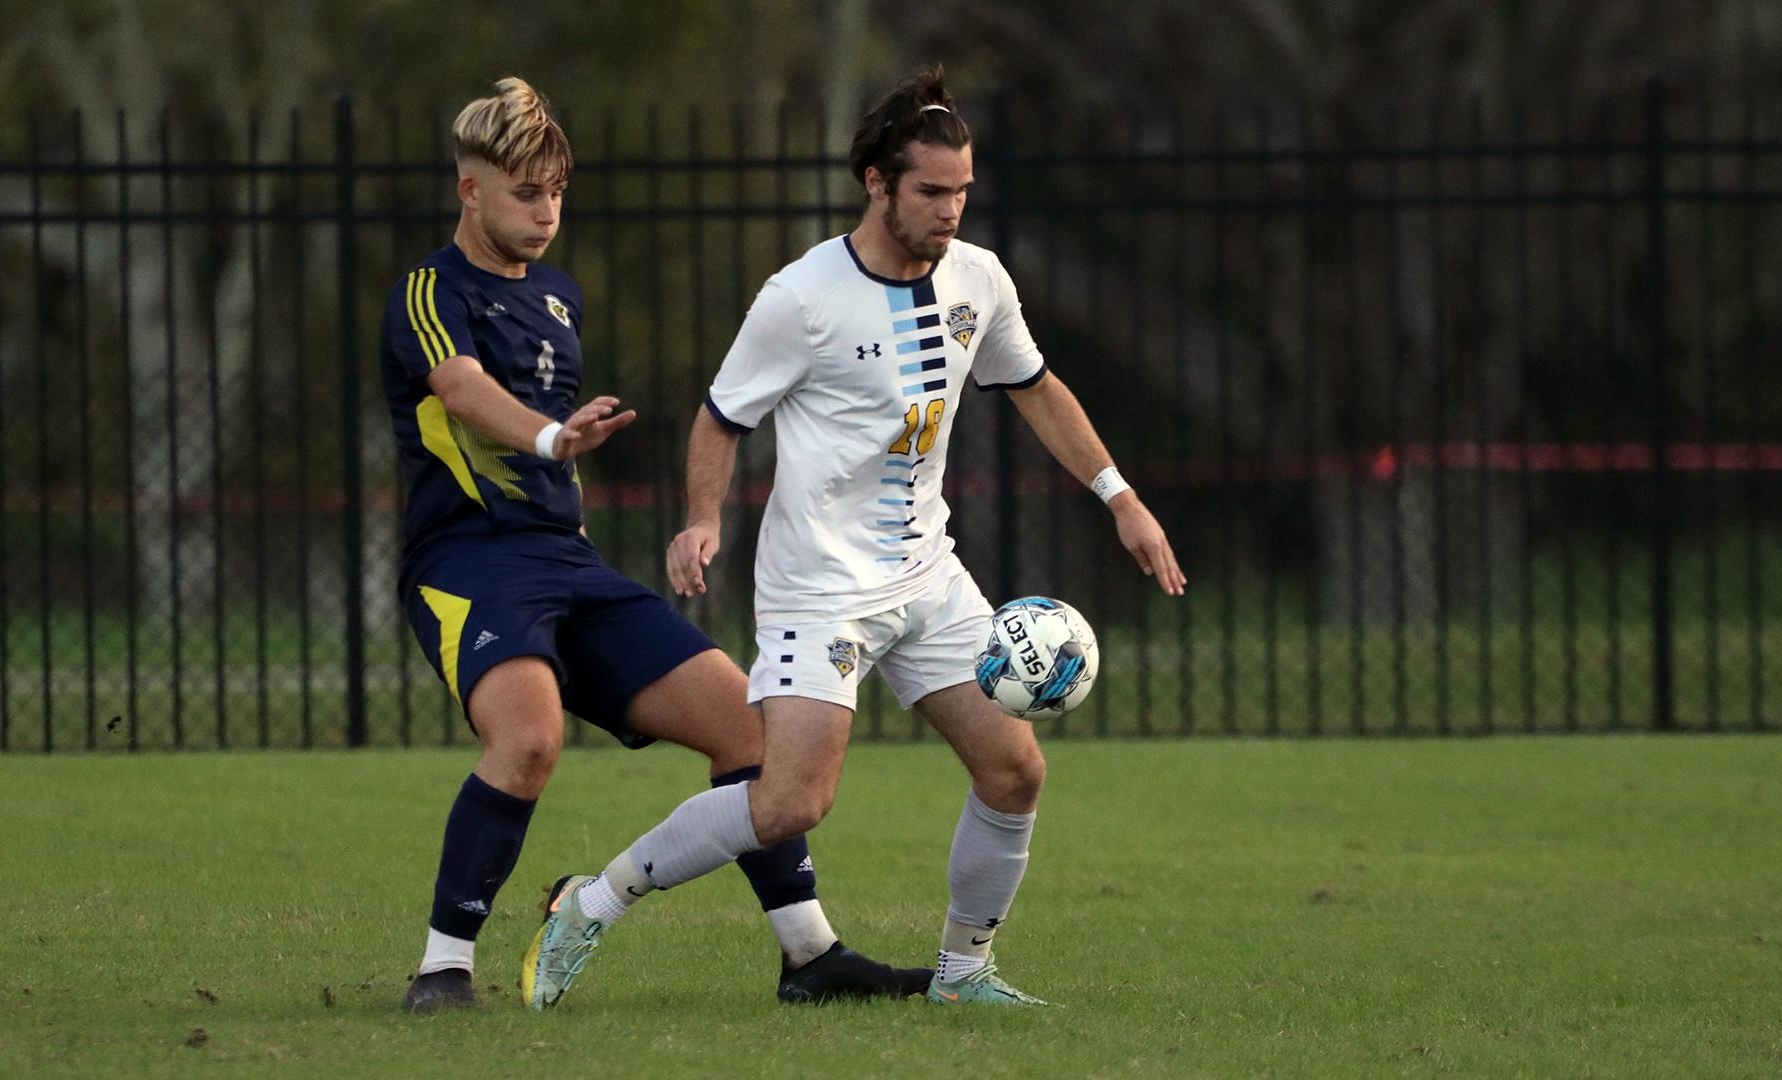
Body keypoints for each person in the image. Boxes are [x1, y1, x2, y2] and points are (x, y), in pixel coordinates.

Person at [523, 66, 1185, 1009]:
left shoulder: (979, 280)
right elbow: (719, 420)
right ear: (878, 184)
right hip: (819, 588)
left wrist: (1120, 496)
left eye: (961, 190)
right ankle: (592, 901)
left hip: (927, 572)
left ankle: (963, 974)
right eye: (931, 191)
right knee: (793, 801)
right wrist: (702, 519)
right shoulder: (802, 297)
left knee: (1013, 767)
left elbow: (1036, 387)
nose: (950, 209)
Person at [380, 76, 930, 1014]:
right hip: (470, 563)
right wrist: (553, 438)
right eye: (525, 193)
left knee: (749, 732)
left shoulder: (559, 297)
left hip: (568, 562)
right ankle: (442, 967)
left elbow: (550, 438)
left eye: (556, 191)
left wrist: (569, 483)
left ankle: (809, 954)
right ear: (469, 189)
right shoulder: (430, 290)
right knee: (528, 741)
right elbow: (463, 390)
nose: (546, 210)